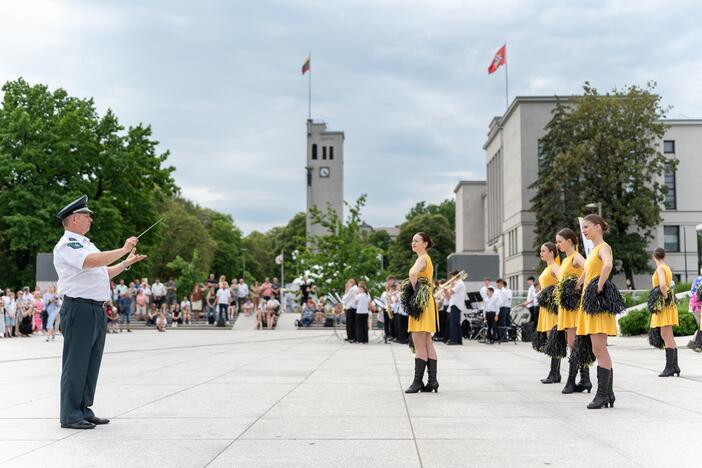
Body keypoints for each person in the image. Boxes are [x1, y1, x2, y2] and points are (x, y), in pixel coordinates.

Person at [53, 194, 146, 429]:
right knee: (76, 363)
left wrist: (126, 263)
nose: (90, 220)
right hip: (79, 308)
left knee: (91, 362)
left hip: (95, 309)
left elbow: (102, 272)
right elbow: (93, 262)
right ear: (74, 219)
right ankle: (70, 414)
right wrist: (123, 249)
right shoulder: (68, 244)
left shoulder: (86, 243)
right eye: (87, 216)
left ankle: (84, 408)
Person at [575, 214, 622, 410]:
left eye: (586, 227)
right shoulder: (593, 250)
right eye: (583, 227)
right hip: (589, 304)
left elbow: (608, 265)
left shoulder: (603, 247)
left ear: (598, 228)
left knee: (599, 349)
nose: (584, 230)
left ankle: (602, 395)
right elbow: (589, 269)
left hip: (597, 304)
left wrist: (599, 286)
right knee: (598, 348)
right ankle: (608, 393)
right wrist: (579, 283)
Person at [405, 232, 440, 394]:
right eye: (412, 241)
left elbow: (413, 274)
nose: (413, 243)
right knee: (427, 342)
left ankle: (417, 382)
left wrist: (414, 292)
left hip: (421, 302)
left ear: (425, 243)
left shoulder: (422, 259)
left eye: (416, 241)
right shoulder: (426, 258)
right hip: (428, 302)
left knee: (419, 343)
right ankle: (432, 381)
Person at [555, 228, 588, 394]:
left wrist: (577, 284)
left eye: (560, 241)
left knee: (573, 343)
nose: (558, 244)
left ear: (569, 241)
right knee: (573, 343)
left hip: (573, 307)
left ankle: (572, 381)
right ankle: (585, 379)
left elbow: (589, 267)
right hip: (567, 307)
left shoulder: (575, 257)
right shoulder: (566, 259)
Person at [649, 248, 681, 377]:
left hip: (664, 305)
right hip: (668, 305)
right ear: (664, 255)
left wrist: (665, 298)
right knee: (669, 336)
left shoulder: (660, 268)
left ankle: (670, 368)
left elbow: (662, 285)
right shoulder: (666, 267)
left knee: (666, 335)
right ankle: (675, 366)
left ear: (653, 257)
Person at [533, 243, 561, 383]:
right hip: (545, 308)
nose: (541, 253)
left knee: (553, 339)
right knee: (552, 340)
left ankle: (554, 374)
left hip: (551, 309)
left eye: (543, 251)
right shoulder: (548, 268)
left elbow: (563, 282)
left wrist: (553, 293)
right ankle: (555, 373)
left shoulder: (555, 267)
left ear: (551, 252)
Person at [446, 271, 466, 345]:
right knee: (456, 323)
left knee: (453, 324)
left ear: (455, 276)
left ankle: (454, 340)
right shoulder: (458, 283)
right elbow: (448, 296)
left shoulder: (459, 283)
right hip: (454, 304)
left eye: (452, 277)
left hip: (456, 305)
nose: (451, 278)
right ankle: (458, 340)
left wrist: (451, 284)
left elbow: (451, 292)